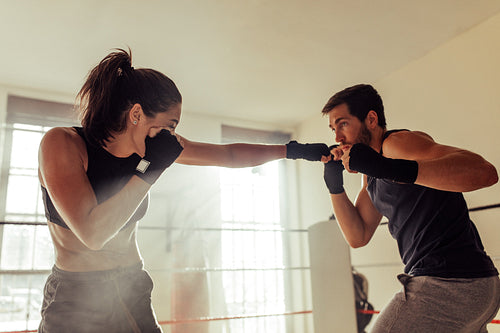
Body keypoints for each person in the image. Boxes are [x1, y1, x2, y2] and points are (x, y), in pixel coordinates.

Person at [37, 48, 329, 333]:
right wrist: (150, 170)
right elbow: (93, 233)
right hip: (76, 296)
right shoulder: (63, 144)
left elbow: (227, 156)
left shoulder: (149, 150)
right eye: (169, 125)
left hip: (130, 286)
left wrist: (293, 150)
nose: (171, 136)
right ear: (136, 114)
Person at [320, 84, 500, 332]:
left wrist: (388, 168)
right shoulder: (371, 177)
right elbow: (358, 235)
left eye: (343, 124)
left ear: (371, 119)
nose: (338, 138)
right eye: (333, 129)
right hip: (471, 284)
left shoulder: (396, 144)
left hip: (451, 281)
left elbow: (485, 172)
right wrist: (334, 185)